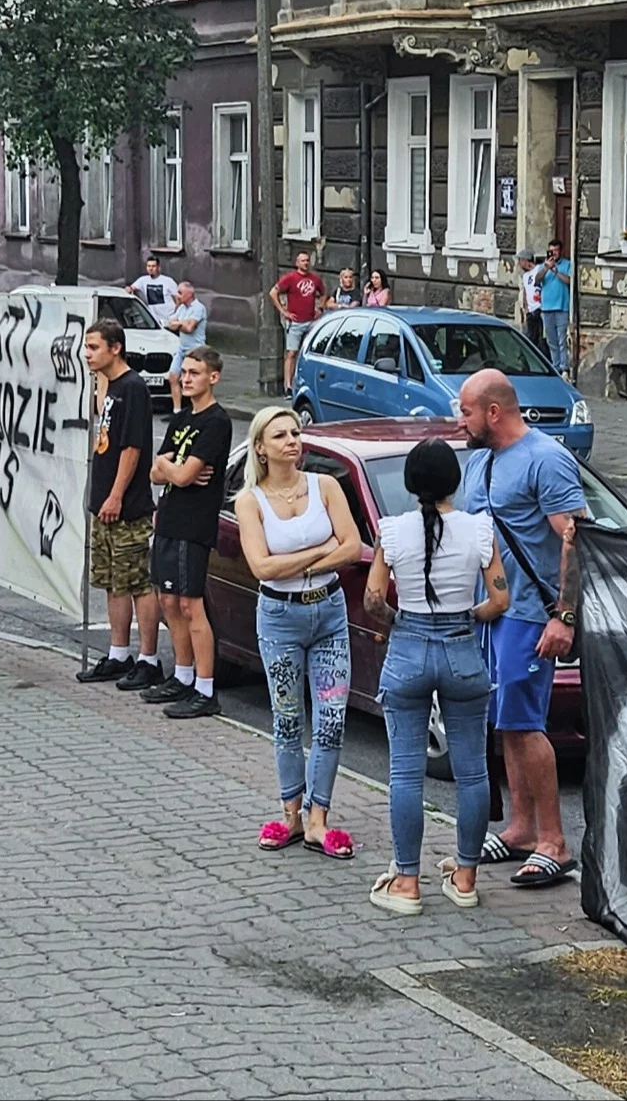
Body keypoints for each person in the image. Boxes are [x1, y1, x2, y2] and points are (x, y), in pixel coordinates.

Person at [362, 437, 510, 915]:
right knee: (473, 772)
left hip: (409, 646)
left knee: (405, 772)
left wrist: (398, 623)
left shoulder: (392, 532)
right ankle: (465, 876)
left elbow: (371, 599)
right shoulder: (479, 531)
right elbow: (500, 599)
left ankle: (406, 881)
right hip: (461, 648)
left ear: (410, 483)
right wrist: (471, 617)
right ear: (455, 481)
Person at [457, 369, 583, 888]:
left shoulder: (545, 459)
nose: (457, 420)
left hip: (532, 615)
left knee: (527, 724)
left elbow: (577, 540)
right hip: (494, 614)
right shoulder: (481, 460)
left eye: (465, 411)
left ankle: (554, 840)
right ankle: (521, 829)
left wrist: (564, 616)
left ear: (493, 411)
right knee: (506, 721)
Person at [235, 406, 365, 856]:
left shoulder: (324, 486)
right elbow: (261, 567)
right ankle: (290, 813)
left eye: (295, 433)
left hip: (328, 612)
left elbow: (352, 547)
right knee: (288, 718)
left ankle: (318, 817)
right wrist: (317, 551)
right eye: (280, 436)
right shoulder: (250, 500)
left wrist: (300, 561)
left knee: (331, 720)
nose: (292, 441)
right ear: (261, 448)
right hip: (279, 616)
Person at [75, 318, 162, 689]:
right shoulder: (110, 386)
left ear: (116, 348)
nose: (87, 353)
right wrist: (97, 379)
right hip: (104, 502)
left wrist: (116, 494)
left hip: (127, 504)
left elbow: (132, 446)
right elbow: (99, 419)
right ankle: (118, 652)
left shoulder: (134, 389)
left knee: (138, 582)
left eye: (94, 347)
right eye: (86, 347)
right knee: (112, 581)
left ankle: (148, 658)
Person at [148, 347, 232, 719]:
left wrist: (172, 468)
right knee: (168, 602)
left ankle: (205, 687)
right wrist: (171, 466)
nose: (186, 378)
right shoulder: (180, 419)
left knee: (190, 604)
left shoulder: (216, 422)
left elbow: (180, 475)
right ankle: (182, 677)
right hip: (167, 518)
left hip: (193, 525)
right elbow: (156, 472)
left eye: (194, 372)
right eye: (184, 372)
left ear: (212, 377)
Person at [270, 250, 323, 391]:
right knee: (291, 353)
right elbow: (273, 292)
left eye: (307, 260)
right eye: (302, 261)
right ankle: (288, 385)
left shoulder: (315, 279)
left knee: (310, 353)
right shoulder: (290, 278)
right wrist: (283, 311)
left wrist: (320, 308)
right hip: (296, 321)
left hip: (311, 321)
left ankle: (305, 382)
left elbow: (323, 293)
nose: (305, 263)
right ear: (297, 263)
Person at [161, 282, 208, 412]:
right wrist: (178, 313)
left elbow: (189, 328)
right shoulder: (182, 308)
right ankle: (177, 411)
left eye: (180, 293)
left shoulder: (198, 308)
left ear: (189, 294)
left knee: (192, 380)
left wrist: (179, 323)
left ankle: (196, 408)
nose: (178, 295)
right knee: (173, 377)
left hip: (195, 350)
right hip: (182, 349)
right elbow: (170, 321)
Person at [538, 240, 573, 375]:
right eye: (551, 251)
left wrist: (555, 271)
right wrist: (547, 268)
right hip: (547, 308)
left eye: (556, 251)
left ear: (561, 251)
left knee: (562, 339)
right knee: (551, 340)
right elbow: (537, 279)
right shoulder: (544, 266)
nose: (554, 253)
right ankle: (556, 366)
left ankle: (564, 367)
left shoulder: (567, 264)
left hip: (561, 307)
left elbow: (569, 281)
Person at [515, 249, 546, 355]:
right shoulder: (525, 276)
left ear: (525, 260)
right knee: (530, 339)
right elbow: (525, 292)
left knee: (542, 339)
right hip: (530, 311)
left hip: (540, 309)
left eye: (520, 260)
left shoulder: (539, 269)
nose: (519, 263)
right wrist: (526, 309)